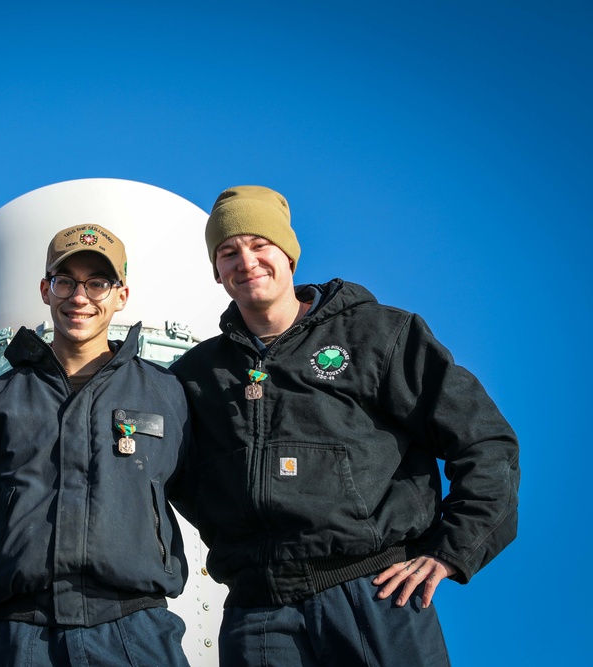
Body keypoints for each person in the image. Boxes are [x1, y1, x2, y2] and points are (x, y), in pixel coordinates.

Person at [170, 186, 520, 667]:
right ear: (217, 272)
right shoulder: (197, 374)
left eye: (259, 245)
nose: (246, 261)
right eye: (228, 252)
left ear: (289, 255)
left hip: (373, 593)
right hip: (259, 613)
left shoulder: (378, 335)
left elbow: (485, 441)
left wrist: (451, 551)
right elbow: (175, 479)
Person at [0, 225, 194, 667]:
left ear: (121, 296)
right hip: (19, 635)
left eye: (98, 283)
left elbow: (212, 493)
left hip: (135, 631)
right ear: (45, 289)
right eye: (65, 281)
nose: (80, 297)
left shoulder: (165, 393)